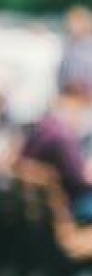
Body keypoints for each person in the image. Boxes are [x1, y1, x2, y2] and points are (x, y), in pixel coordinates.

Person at [18, 74, 92, 225]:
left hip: (40, 210)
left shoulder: (44, 126)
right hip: (71, 208)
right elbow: (78, 179)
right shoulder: (62, 136)